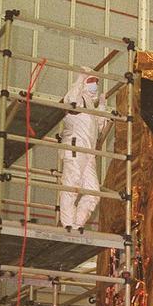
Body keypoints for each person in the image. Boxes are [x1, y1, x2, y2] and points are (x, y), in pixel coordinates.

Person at [59, 71, 110, 231]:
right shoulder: (78, 97)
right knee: (71, 184)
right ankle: (68, 223)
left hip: (89, 153)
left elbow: (99, 127)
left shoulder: (90, 105)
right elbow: (70, 101)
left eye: (96, 81)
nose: (95, 85)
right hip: (76, 146)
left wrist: (102, 105)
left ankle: (77, 223)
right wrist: (80, 79)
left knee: (93, 191)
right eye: (92, 81)